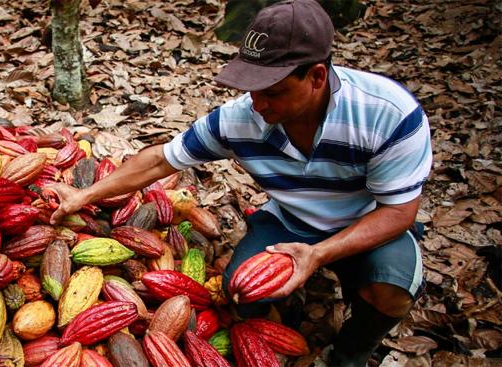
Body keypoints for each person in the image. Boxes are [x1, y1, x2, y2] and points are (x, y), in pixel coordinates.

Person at [47, 0, 432, 365]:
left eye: (274, 91)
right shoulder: (242, 118)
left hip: (367, 222)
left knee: (391, 292)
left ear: (317, 76)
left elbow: (399, 211)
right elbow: (159, 161)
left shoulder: (387, 114)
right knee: (240, 294)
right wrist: (85, 195)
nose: (258, 104)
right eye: (252, 88)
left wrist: (318, 255)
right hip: (290, 221)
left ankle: (351, 351)